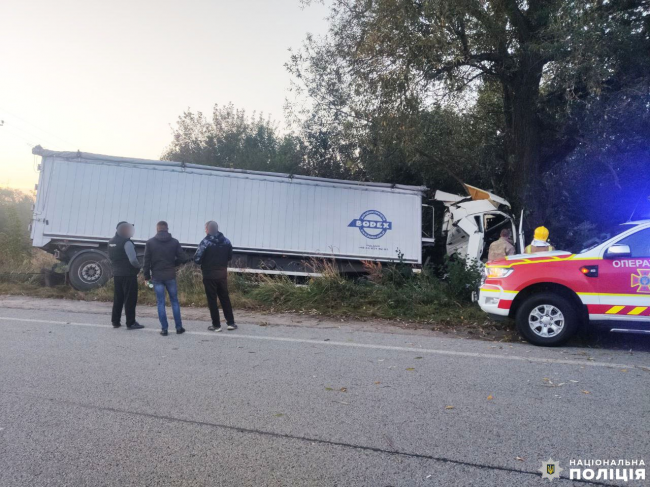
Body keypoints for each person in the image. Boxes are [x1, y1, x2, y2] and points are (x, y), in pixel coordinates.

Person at [143, 221, 188, 336]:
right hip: (170, 276)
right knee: (174, 302)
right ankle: (179, 328)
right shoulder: (174, 242)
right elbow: (183, 258)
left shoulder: (150, 242)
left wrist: (146, 277)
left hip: (157, 277)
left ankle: (164, 329)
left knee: (160, 302)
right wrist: (174, 264)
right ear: (167, 229)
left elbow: (146, 261)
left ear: (157, 229)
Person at [194, 221, 236, 332]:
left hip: (209, 275)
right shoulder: (226, 241)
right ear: (217, 228)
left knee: (212, 300)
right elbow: (229, 257)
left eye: (205, 229)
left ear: (208, 229)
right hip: (222, 274)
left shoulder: (205, 242)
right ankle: (231, 322)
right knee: (225, 298)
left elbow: (197, 259)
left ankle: (216, 325)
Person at [108, 221, 144, 329]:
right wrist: (139, 267)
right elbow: (132, 259)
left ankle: (115, 321)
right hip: (128, 274)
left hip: (117, 274)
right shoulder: (127, 242)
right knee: (130, 299)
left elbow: (111, 258)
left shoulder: (111, 242)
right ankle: (131, 322)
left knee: (118, 298)